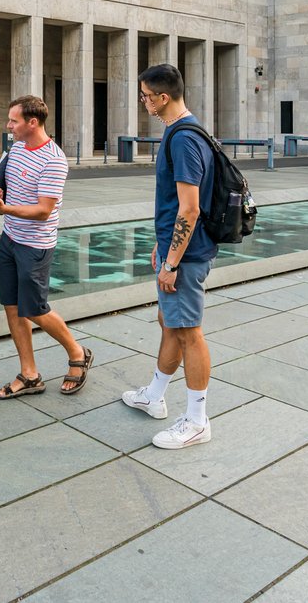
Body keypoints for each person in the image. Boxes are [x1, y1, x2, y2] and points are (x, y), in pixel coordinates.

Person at [122, 63, 218, 450]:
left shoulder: (181, 138)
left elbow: (189, 209)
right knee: (169, 323)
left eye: (146, 96)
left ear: (163, 97)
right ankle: (155, 395)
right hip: (178, 249)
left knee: (188, 332)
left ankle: (197, 420)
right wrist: (163, 246)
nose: (144, 102)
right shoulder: (185, 131)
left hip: (187, 256)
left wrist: (172, 262)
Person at [0, 95, 93, 398]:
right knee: (12, 306)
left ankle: (77, 352)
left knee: (34, 308)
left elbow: (44, 210)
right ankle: (30, 375)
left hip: (35, 245)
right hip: (10, 239)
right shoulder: (16, 148)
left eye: (14, 121)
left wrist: (4, 210)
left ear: (32, 122)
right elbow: (2, 182)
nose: (9, 126)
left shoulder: (54, 160)